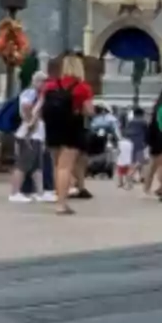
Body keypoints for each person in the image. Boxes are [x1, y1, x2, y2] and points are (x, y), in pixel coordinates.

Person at [42, 53, 95, 215]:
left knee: (57, 166)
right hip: (72, 128)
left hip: (52, 128)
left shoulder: (50, 85)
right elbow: (88, 111)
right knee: (65, 167)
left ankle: (58, 198)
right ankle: (61, 204)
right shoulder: (82, 87)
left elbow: (41, 107)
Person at [8, 72, 48, 202]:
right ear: (35, 81)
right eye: (41, 81)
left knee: (37, 166)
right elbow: (26, 108)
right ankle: (14, 193)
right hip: (28, 134)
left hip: (38, 135)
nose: (44, 84)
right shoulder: (30, 93)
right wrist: (32, 122)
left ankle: (40, 192)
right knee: (23, 165)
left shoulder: (41, 96)